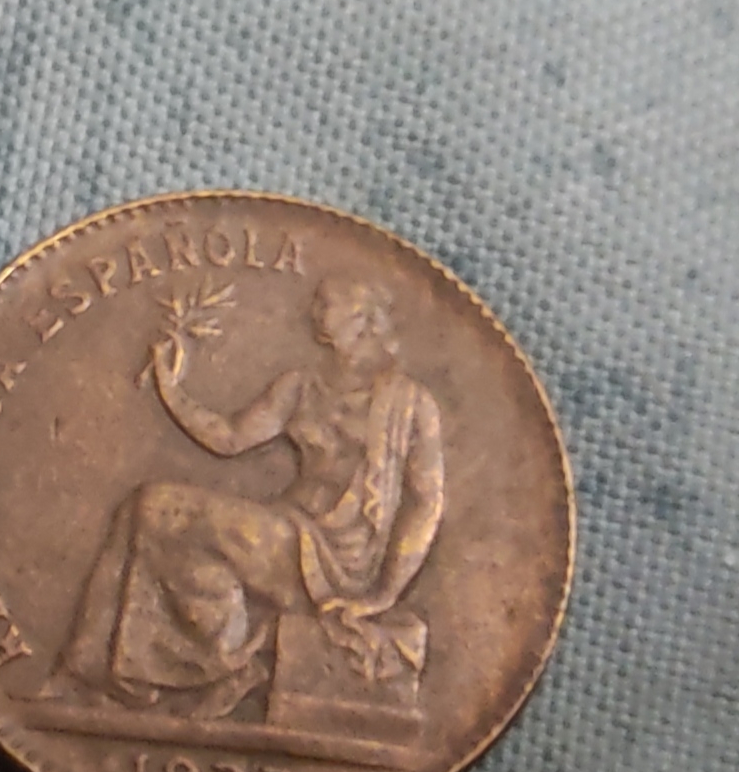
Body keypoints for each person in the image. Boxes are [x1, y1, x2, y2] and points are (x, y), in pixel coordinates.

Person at [41, 274, 445, 720]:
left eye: (326, 304)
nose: (313, 313)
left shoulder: (411, 403)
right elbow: (230, 438)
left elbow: (425, 502)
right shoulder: (299, 385)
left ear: (362, 319)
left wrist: (385, 594)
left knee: (156, 506)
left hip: (338, 560)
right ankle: (111, 666)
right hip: (287, 531)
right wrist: (170, 389)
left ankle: (212, 665)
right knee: (143, 513)